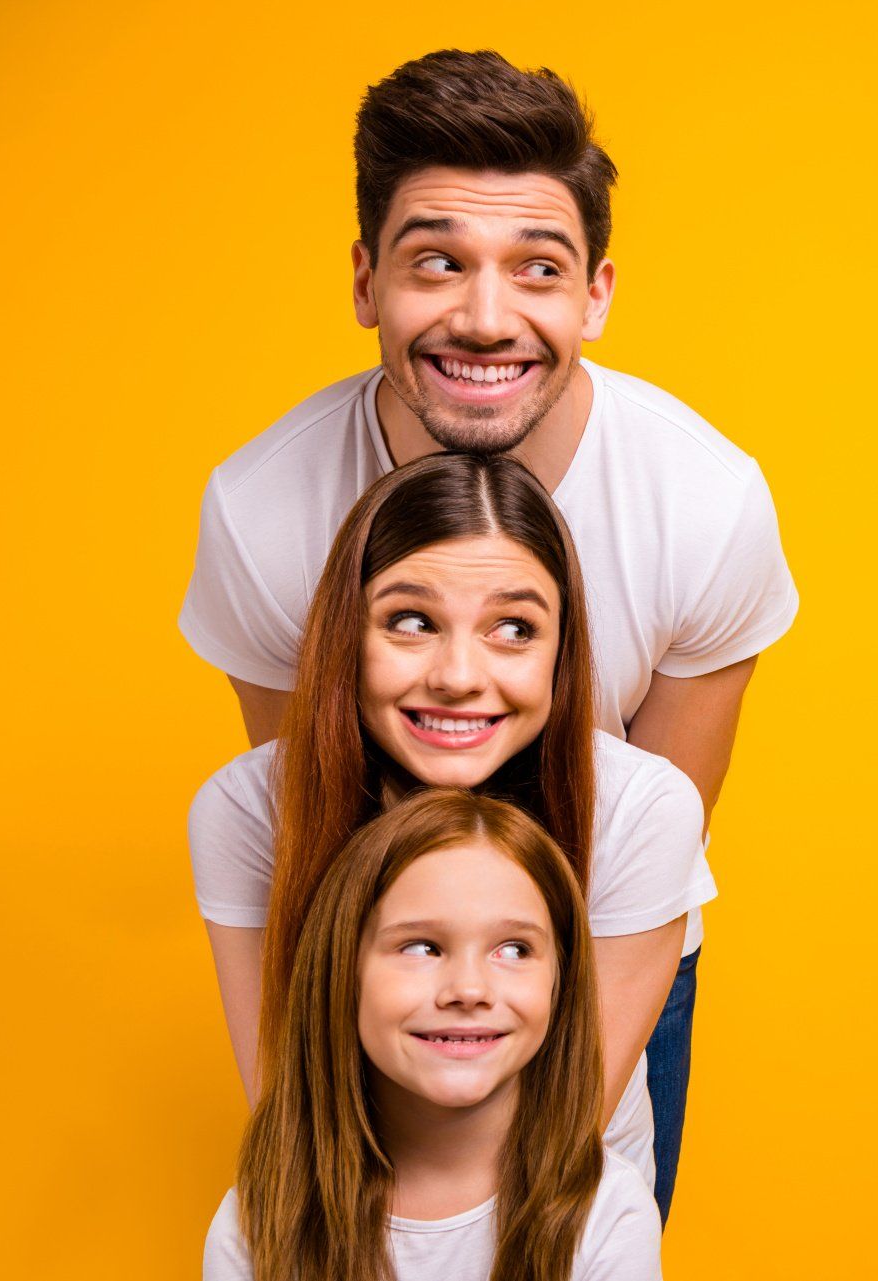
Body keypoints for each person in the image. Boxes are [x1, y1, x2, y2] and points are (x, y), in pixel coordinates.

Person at [180, 49, 796, 1215]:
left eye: (537, 269)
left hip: (601, 923)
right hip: (363, 940)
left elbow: (647, 833)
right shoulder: (263, 514)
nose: (484, 315)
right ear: (368, 281)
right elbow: (306, 808)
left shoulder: (706, 504)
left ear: (596, 295)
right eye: (437, 263)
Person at [192, 452, 710, 1208]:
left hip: (562, 1209)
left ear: (562, 652)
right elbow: (288, 1104)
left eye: (512, 627)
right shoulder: (246, 812)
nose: (459, 674)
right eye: (411, 620)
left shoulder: (641, 808)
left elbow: (560, 1131)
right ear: (347, 634)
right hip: (347, 1208)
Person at [203, 788, 663, 1280]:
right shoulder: (256, 1220)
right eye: (421, 948)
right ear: (343, 972)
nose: (468, 989)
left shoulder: (608, 1212)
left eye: (514, 950)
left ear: (560, 983)